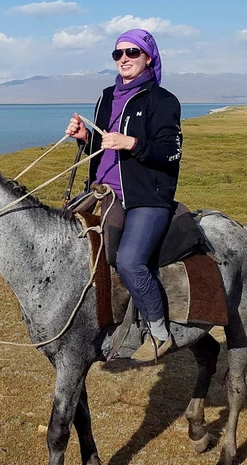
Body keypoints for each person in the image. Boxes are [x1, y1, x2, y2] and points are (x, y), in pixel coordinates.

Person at [65, 28, 182, 363]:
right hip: (102, 192)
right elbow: (104, 148)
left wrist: (131, 143)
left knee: (129, 260)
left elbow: (171, 152)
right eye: (118, 53)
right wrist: (85, 137)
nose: (124, 59)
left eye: (132, 52)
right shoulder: (106, 97)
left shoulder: (163, 101)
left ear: (149, 58)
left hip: (145, 198)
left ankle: (159, 332)